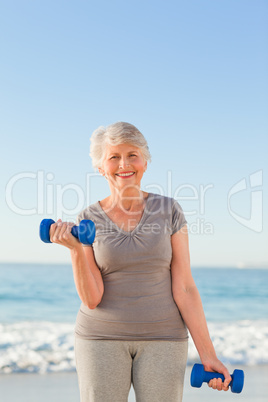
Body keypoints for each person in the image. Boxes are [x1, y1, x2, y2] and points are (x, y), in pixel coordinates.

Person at [49, 122, 232, 402]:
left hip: (165, 339)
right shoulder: (88, 218)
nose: (124, 164)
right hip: (100, 339)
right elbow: (92, 298)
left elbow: (184, 287)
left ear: (144, 162)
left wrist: (209, 355)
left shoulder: (169, 210)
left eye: (132, 154)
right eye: (114, 157)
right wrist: (75, 251)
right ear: (100, 167)